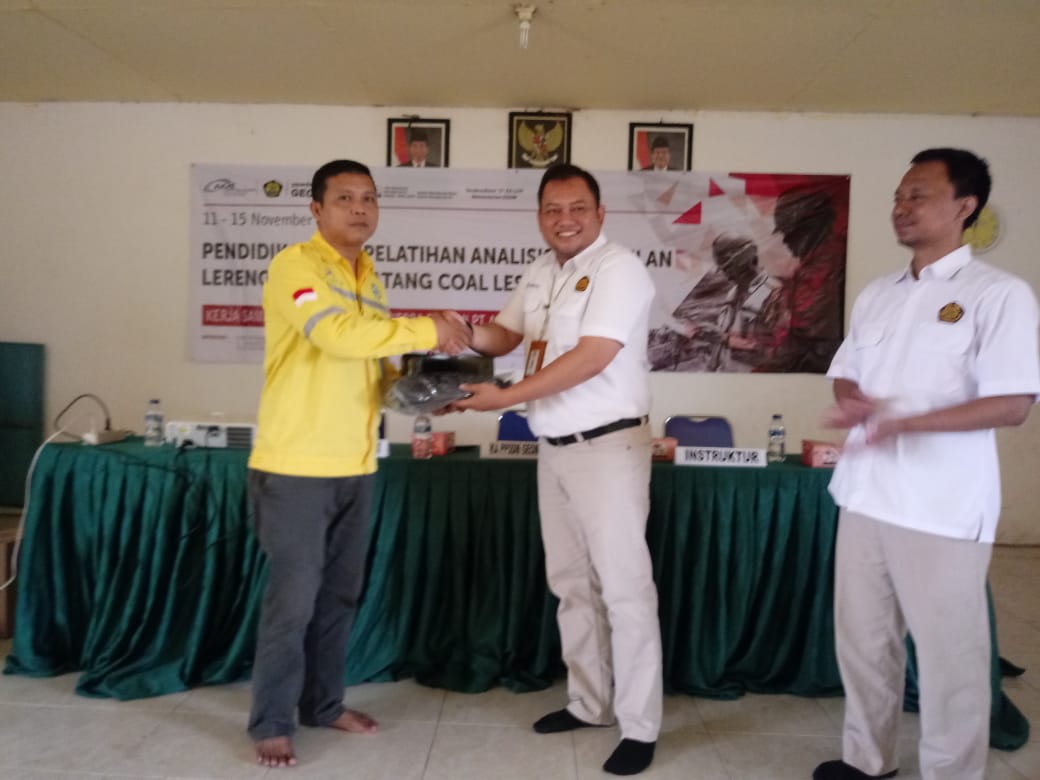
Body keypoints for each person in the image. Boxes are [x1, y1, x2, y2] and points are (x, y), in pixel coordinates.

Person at [815, 148, 1039, 780]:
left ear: (966, 206)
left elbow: (1013, 403)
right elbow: (846, 372)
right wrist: (854, 401)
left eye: (919, 195)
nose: (902, 206)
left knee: (950, 660)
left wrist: (905, 423)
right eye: (899, 195)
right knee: (864, 645)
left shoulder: (999, 295)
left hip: (940, 507)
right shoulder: (878, 294)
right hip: (864, 495)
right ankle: (867, 760)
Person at [246, 159, 470, 768]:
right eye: (344, 197)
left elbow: (374, 367)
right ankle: (271, 721)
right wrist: (426, 330)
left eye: (368, 198)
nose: (359, 208)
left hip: (357, 463)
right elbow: (335, 336)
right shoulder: (295, 266)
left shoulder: (370, 277)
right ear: (316, 209)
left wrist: (427, 390)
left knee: (340, 598)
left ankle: (323, 705)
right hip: (295, 466)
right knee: (293, 604)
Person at [453, 163, 662, 776]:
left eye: (577, 208)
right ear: (540, 216)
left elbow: (592, 358)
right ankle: (589, 703)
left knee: (624, 590)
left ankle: (640, 725)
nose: (564, 220)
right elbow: (505, 334)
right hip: (555, 448)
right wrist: (463, 333)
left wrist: (504, 398)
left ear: (599, 213)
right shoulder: (543, 271)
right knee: (571, 583)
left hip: (609, 448)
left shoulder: (619, 269)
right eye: (552, 209)